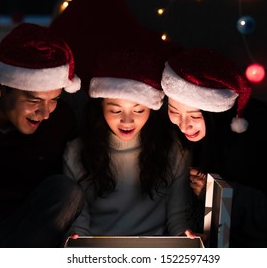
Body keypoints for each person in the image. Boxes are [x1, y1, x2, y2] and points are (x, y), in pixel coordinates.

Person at [160, 47, 267, 247]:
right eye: (173, 111)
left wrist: (219, 195)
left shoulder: (257, 136)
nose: (184, 124)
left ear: (215, 112)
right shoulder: (174, 136)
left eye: (195, 116)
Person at [0, 23, 84, 247]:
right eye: (34, 100)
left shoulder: (59, 122)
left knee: (65, 191)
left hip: (8, 235)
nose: (45, 113)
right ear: (0, 87)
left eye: (54, 100)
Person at [63, 50, 194, 237]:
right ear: (101, 106)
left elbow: (178, 218)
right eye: (116, 111)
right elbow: (78, 223)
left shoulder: (174, 149)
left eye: (139, 111)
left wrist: (186, 239)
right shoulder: (76, 151)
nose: (127, 121)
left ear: (151, 107)